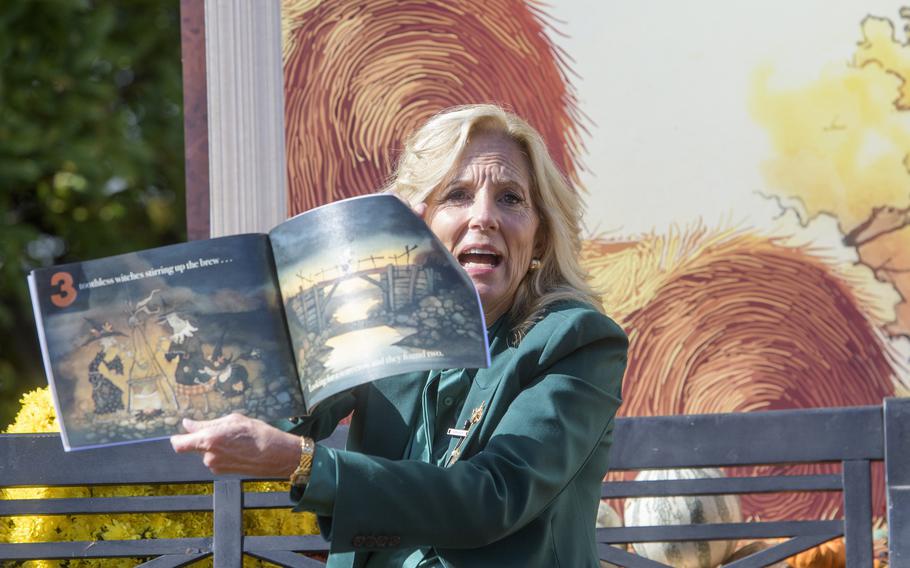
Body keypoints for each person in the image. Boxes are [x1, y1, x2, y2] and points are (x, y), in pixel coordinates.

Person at [170, 104, 628, 567]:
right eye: (457, 194)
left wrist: (304, 463)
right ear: (417, 224)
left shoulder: (577, 340)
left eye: (510, 198)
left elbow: (493, 498)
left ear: (541, 239)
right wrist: (339, 315)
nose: (483, 216)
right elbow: (280, 418)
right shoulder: (385, 324)